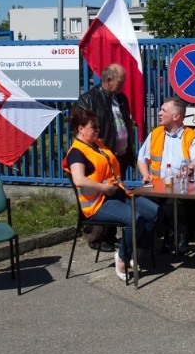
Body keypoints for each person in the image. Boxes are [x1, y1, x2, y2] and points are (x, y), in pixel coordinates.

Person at [62, 107, 159, 281]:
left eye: (98, 127)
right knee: (134, 219)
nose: (98, 131)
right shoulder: (76, 152)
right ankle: (122, 256)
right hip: (98, 203)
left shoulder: (97, 144)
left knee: (153, 213)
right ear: (80, 129)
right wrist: (103, 188)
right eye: (94, 128)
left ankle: (136, 254)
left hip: (118, 193)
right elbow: (79, 180)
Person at [75, 63, 135, 253]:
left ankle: (110, 236)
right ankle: (97, 239)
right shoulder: (89, 99)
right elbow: (82, 128)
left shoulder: (121, 98)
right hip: (102, 157)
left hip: (120, 156)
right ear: (108, 80)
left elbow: (125, 124)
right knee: (104, 197)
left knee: (116, 195)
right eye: (120, 81)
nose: (123, 85)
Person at [136, 96, 195, 253]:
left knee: (186, 203)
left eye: (163, 110)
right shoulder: (155, 134)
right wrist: (145, 174)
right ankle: (162, 236)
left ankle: (181, 235)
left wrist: (189, 167)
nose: (159, 113)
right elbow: (141, 159)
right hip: (158, 185)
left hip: (182, 186)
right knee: (146, 201)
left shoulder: (192, 137)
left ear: (176, 117)